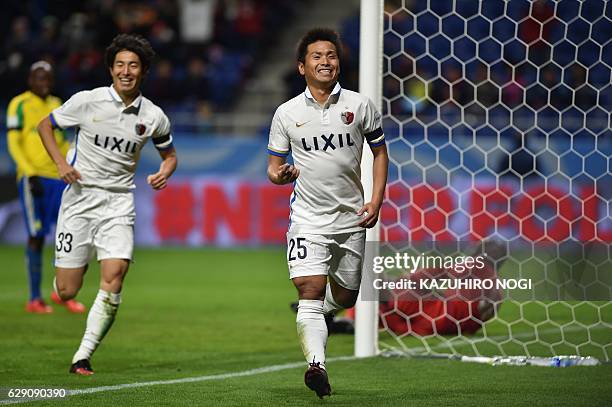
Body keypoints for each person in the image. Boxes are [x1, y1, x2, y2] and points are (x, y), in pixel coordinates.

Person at [37, 34, 177, 375]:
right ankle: (69, 277)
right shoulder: (87, 102)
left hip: (117, 203)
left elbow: (170, 155)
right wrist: (60, 163)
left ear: (143, 71)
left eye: (132, 65)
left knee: (115, 275)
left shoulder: (153, 116)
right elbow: (46, 126)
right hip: (80, 201)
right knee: (69, 291)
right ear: (111, 69)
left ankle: (82, 356)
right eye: (119, 65)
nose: (125, 71)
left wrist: (164, 171)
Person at [267, 28, 388, 398]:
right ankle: (317, 366)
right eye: (317, 56)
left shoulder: (360, 105)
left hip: (352, 217)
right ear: (302, 67)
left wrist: (377, 199)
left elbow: (380, 153)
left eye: (331, 55)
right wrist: (280, 174)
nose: (325, 61)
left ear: (338, 63)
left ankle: (327, 311)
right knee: (310, 289)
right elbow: (273, 168)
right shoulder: (287, 113)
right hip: (308, 218)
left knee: (348, 296)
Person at [6, 61, 86, 314]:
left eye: (48, 79)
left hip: (58, 179)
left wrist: (71, 166)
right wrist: (28, 172)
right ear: (30, 80)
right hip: (33, 177)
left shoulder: (56, 104)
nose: (44, 83)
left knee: (69, 236)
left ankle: (62, 291)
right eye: (39, 78)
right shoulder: (19, 104)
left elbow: (61, 142)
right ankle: (34, 298)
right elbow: (13, 142)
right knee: (36, 236)